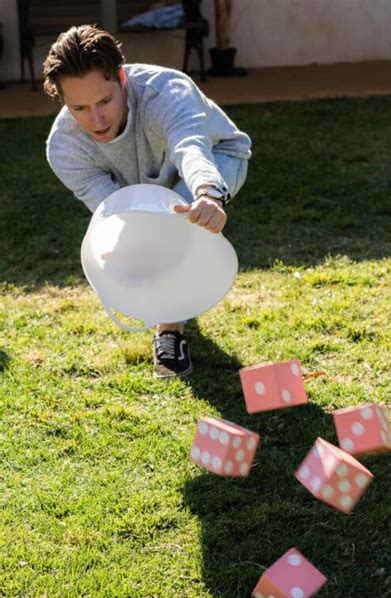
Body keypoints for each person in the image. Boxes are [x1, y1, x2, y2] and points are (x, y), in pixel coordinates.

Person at [42, 24, 251, 378]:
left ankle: (169, 331)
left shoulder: (167, 92)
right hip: (138, 190)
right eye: (79, 107)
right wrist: (128, 248)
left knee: (175, 227)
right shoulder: (64, 149)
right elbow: (113, 211)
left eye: (105, 100)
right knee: (147, 244)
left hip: (219, 159)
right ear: (62, 100)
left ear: (122, 78)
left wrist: (208, 194)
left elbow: (191, 148)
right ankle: (173, 304)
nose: (97, 119)